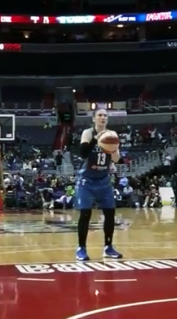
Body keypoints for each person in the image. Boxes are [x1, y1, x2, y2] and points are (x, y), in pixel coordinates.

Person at [75, 109, 122, 261]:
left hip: (103, 179)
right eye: (100, 115)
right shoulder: (88, 133)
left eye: (105, 115)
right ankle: (81, 249)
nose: (103, 117)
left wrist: (113, 148)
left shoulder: (112, 135)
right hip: (87, 180)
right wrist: (96, 139)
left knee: (110, 213)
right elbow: (83, 153)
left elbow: (116, 159)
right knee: (85, 214)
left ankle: (108, 247)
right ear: (94, 119)